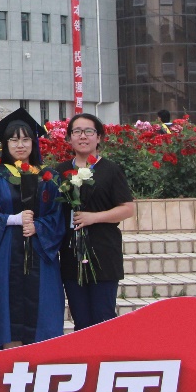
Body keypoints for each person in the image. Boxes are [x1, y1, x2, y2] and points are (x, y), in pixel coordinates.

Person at [0, 109, 65, 348]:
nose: (20, 145)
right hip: (6, 251)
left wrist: (39, 226)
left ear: (33, 143)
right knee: (8, 303)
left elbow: (58, 215)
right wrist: (11, 220)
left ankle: (41, 356)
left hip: (40, 251)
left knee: (43, 304)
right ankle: (11, 355)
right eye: (14, 140)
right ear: (5, 144)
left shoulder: (49, 177)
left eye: (25, 139)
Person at [54, 112, 135, 330]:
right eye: (77, 131)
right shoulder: (60, 171)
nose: (83, 136)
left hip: (103, 253)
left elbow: (127, 209)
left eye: (89, 131)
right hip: (71, 255)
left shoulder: (110, 170)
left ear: (98, 137)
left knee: (103, 318)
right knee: (80, 320)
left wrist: (94, 217)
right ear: (69, 138)